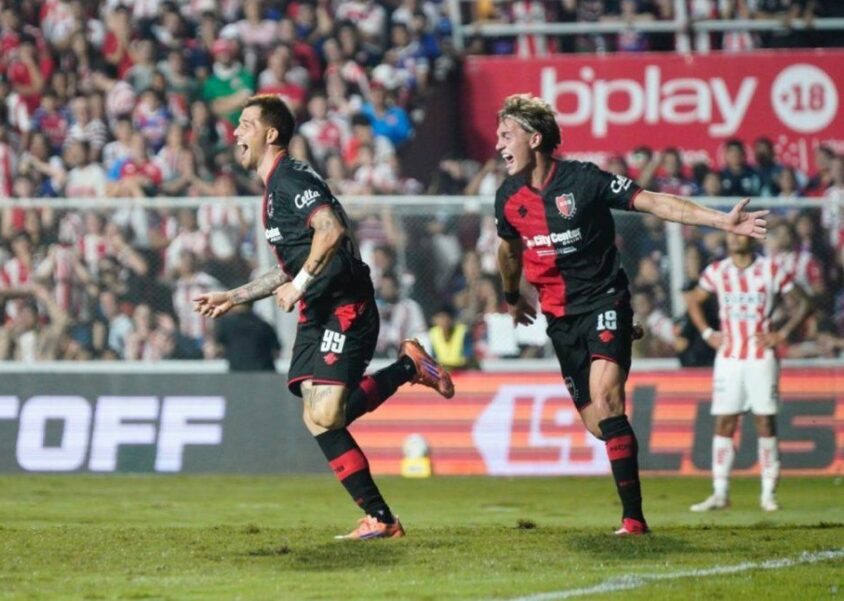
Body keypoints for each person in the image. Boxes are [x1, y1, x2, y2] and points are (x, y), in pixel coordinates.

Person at [492, 94, 769, 536]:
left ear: (535, 137)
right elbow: (508, 249)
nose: (499, 144)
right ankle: (621, 337)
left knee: (608, 399)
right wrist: (511, 295)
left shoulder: (584, 181)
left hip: (603, 300)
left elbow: (657, 202)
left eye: (507, 135)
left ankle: (633, 520)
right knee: (599, 424)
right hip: (560, 318)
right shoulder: (507, 197)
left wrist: (722, 222)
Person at [195, 94, 454, 540]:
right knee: (317, 418)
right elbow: (289, 266)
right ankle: (381, 519)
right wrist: (236, 296)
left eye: (245, 124)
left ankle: (409, 366)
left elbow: (331, 230)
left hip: (345, 304)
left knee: (329, 412)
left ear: (270, 133)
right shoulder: (274, 188)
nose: (236, 133)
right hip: (318, 310)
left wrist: (300, 285)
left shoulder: (290, 178)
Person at [685, 233, 810, 513]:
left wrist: (783, 333)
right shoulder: (717, 271)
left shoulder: (770, 269)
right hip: (729, 356)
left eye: (740, 234)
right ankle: (720, 492)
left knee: (765, 422)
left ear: (751, 240)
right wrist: (707, 333)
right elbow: (693, 300)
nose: (734, 238)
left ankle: (768, 493)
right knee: (724, 422)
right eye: (731, 233)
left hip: (761, 356)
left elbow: (804, 302)